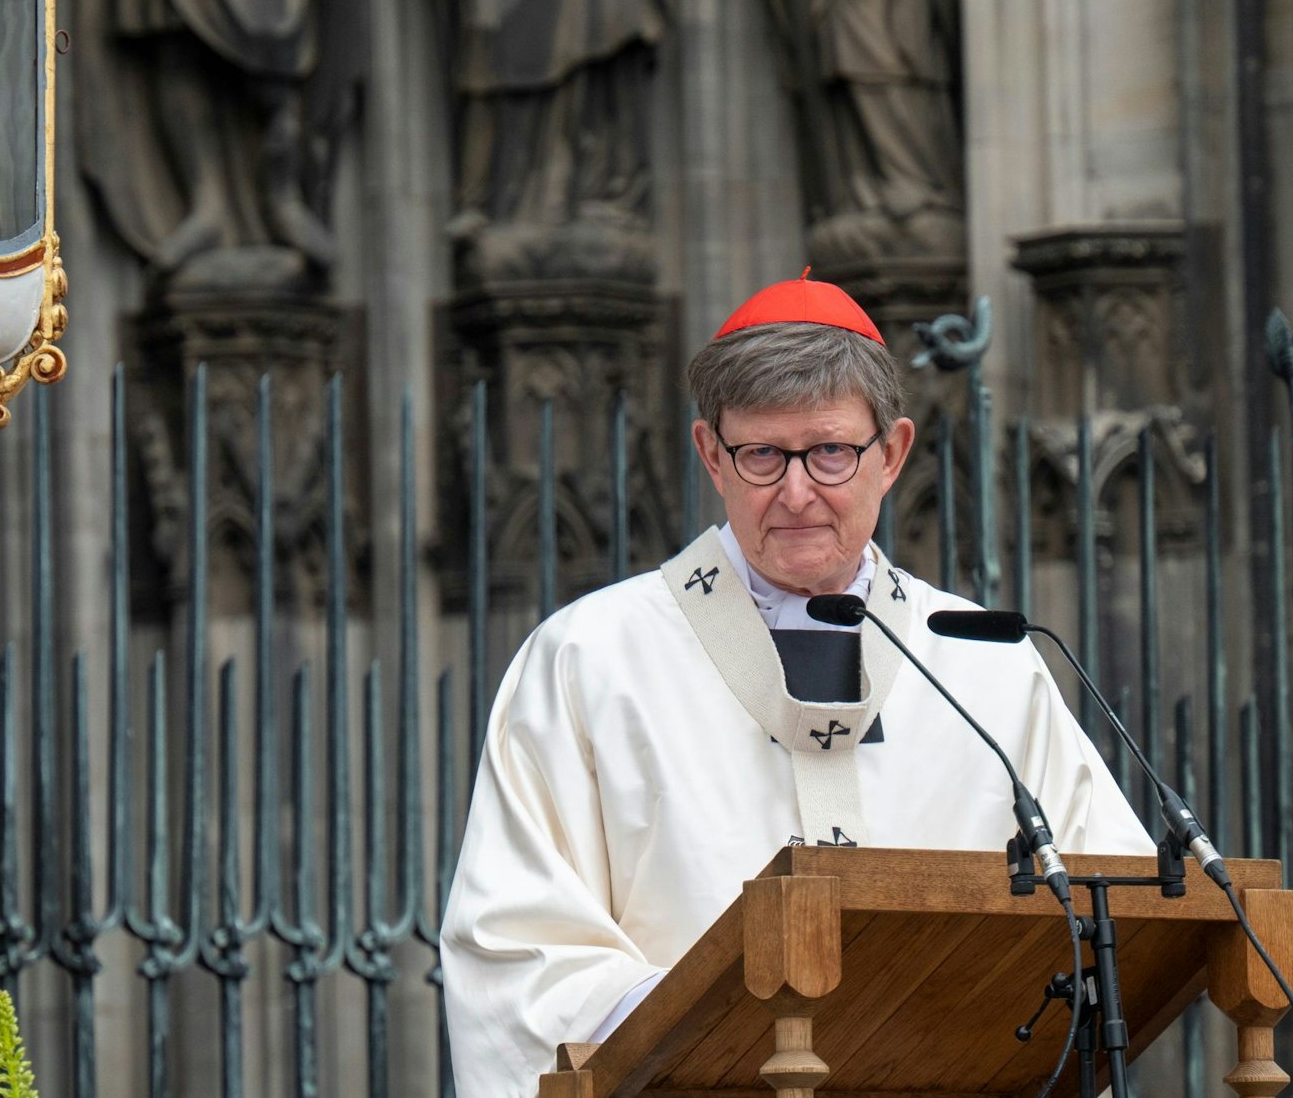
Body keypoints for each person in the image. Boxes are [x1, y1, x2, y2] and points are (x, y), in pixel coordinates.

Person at [438, 274, 1152, 1098]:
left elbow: (1113, 915)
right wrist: (716, 1031)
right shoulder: (589, 658)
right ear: (712, 454)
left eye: (831, 452)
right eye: (763, 455)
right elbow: (518, 945)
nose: (797, 491)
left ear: (892, 454)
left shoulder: (980, 658)